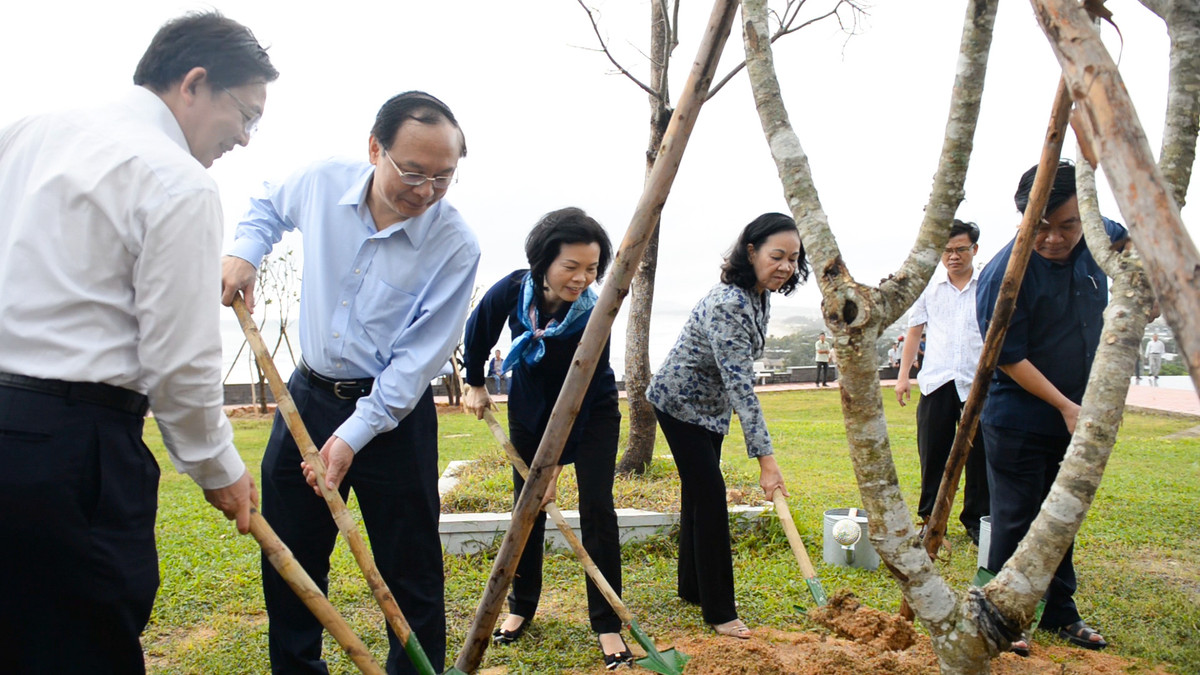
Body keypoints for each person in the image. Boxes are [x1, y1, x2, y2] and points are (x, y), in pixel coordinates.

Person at [0, 12, 277, 672]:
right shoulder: (176, 179)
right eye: (244, 114)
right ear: (195, 82)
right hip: (74, 451)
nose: (243, 137)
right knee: (86, 640)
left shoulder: (24, 136)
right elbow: (179, 361)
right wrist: (218, 466)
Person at [220, 91, 478, 674]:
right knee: (290, 558)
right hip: (306, 398)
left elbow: (415, 363)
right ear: (373, 149)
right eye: (411, 171)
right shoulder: (319, 183)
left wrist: (352, 435)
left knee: (408, 569)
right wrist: (244, 252)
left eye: (444, 177)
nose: (425, 190)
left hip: (395, 415)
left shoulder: (455, 244)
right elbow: (265, 205)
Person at [462, 208, 632, 669]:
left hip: (591, 411)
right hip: (531, 410)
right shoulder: (514, 290)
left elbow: (582, 385)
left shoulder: (593, 311)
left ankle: (608, 622)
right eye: (571, 266)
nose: (582, 278)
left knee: (598, 506)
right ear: (543, 263)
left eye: (592, 268)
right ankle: (521, 606)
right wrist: (474, 381)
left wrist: (553, 466)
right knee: (528, 509)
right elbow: (478, 329)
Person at [976, 160, 1125, 654]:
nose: (1056, 239)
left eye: (1068, 226)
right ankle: (1001, 619)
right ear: (1023, 217)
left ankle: (1062, 615)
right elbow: (1008, 357)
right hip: (1019, 419)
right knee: (1017, 520)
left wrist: (1143, 285)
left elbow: (1125, 240)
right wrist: (1065, 405)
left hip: (1076, 416)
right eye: (1041, 227)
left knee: (1061, 518)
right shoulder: (1004, 274)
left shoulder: (1096, 235)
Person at [647, 212, 807, 639]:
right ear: (751, 251)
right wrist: (766, 462)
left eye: (793, 259)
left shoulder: (758, 293)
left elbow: (733, 384)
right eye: (777, 256)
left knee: (698, 495)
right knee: (711, 498)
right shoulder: (730, 303)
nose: (786, 267)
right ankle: (720, 610)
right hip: (679, 403)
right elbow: (743, 389)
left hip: (709, 409)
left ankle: (692, 587)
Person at [895, 220, 990, 544]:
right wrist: (904, 376)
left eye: (960, 249)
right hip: (937, 382)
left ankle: (976, 519)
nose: (953, 256)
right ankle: (931, 519)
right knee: (933, 452)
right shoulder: (929, 288)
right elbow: (914, 331)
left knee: (979, 456)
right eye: (947, 250)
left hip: (977, 381)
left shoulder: (988, 284)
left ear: (974, 250)